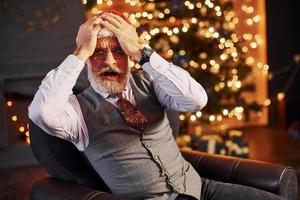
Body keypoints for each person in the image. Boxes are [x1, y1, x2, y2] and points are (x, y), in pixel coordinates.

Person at [28, 10, 286, 200]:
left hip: (201, 189)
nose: (110, 62)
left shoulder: (150, 81)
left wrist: (142, 52)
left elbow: (197, 100)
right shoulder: (76, 112)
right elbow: (41, 113)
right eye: (98, 53)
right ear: (86, 60)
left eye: (119, 52)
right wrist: (80, 52)